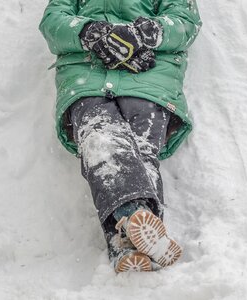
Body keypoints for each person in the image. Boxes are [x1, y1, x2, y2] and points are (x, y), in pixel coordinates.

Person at [39, 0, 202, 272]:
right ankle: (137, 221)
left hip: (149, 80)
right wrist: (92, 33)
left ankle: (123, 239)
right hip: (87, 78)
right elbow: (53, 21)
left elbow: (184, 21)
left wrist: (143, 34)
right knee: (99, 139)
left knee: (140, 151)